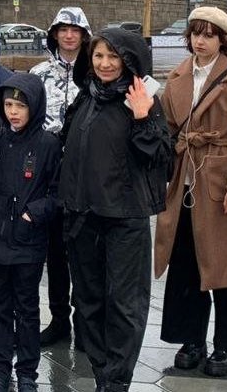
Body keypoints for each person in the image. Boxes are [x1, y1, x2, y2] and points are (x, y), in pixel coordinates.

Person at [59, 29, 171, 392]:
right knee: (88, 302)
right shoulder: (86, 98)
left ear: (127, 61)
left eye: (112, 57)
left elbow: (162, 159)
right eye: (98, 56)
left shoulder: (144, 98)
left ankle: (117, 381)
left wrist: (142, 118)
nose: (105, 64)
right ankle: (102, 370)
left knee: (124, 305)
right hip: (83, 216)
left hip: (124, 217)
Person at [154, 7, 227, 378]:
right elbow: (166, 129)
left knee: (223, 268)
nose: (201, 40)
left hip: (218, 179)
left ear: (222, 40)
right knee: (185, 264)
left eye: (210, 34)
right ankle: (191, 340)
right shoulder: (179, 75)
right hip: (183, 180)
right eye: (196, 33)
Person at [0, 73, 60, 392]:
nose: (13, 111)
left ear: (35, 107)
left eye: (20, 105)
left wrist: (33, 214)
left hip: (28, 242)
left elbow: (58, 193)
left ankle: (27, 371)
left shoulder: (48, 144)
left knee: (27, 308)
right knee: (0, 307)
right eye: (8, 105)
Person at [28, 6, 91, 349]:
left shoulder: (95, 73)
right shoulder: (39, 74)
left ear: (83, 34)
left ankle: (86, 318)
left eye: (75, 30)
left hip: (85, 176)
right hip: (50, 176)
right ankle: (58, 319)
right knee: (54, 253)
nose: (69, 35)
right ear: (54, 34)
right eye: (62, 29)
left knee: (83, 252)